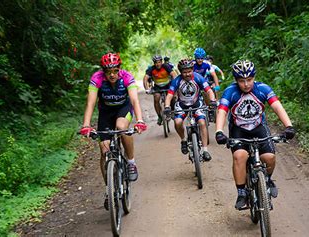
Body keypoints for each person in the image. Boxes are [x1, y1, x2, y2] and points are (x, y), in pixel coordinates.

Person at [214, 59, 296, 210]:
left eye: (249, 79)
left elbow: (277, 106)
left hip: (259, 127)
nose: (246, 84)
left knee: (269, 157)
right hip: (239, 129)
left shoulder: (262, 89)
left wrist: (288, 126)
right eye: (241, 81)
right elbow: (222, 111)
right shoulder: (230, 92)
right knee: (240, 156)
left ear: (254, 77)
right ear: (236, 80)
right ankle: (242, 193)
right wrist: (219, 131)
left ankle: (268, 180)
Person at [80, 53, 147, 207]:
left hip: (123, 109)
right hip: (105, 112)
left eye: (115, 70)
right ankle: (109, 189)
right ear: (103, 71)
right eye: (108, 71)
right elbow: (90, 103)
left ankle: (130, 162)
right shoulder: (96, 78)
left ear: (119, 69)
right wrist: (86, 125)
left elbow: (135, 100)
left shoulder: (127, 77)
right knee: (104, 152)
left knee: (122, 128)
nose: (112, 74)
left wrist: (140, 120)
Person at [163, 58, 217, 161]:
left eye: (189, 71)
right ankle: (183, 140)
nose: (187, 74)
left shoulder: (198, 78)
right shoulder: (177, 81)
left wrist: (213, 101)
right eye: (184, 72)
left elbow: (209, 91)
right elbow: (169, 95)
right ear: (181, 72)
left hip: (196, 104)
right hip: (182, 105)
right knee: (178, 122)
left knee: (202, 123)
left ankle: (205, 150)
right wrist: (167, 106)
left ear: (192, 70)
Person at [143, 55, 178, 125]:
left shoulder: (166, 66)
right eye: (156, 62)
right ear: (154, 63)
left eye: (159, 62)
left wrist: (175, 85)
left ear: (161, 62)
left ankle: (173, 112)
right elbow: (145, 78)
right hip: (157, 87)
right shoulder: (152, 69)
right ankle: (159, 116)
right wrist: (146, 88)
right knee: (156, 98)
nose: (157, 64)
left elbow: (174, 75)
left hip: (168, 85)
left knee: (173, 97)